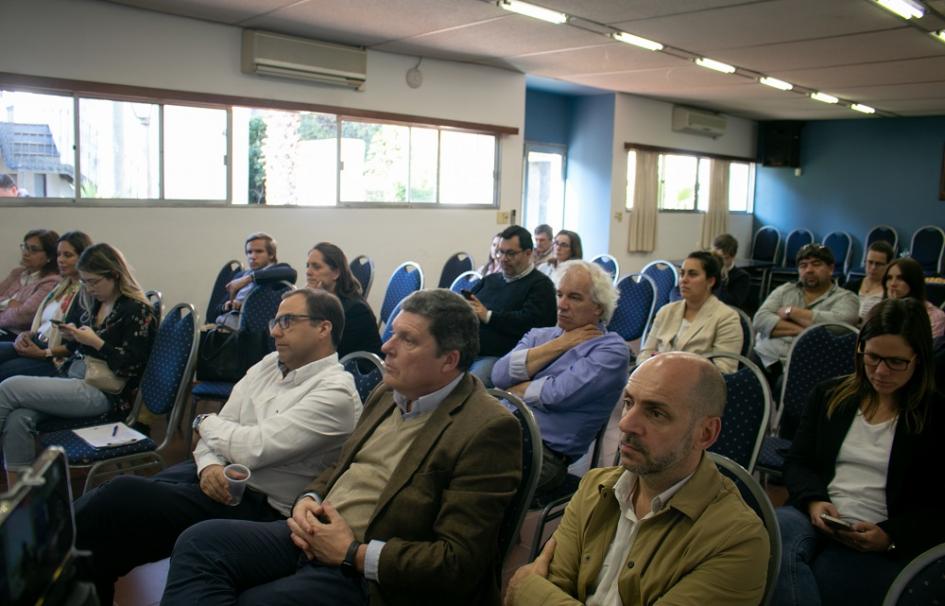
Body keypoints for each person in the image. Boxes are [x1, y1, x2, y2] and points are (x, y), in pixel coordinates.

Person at [161, 289, 523, 606]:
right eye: (393, 333)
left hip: (371, 574)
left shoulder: (488, 429)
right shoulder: (387, 393)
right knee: (200, 542)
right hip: (315, 532)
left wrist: (353, 554)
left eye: (407, 340)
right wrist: (309, 499)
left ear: (450, 360)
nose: (386, 346)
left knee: (257, 599)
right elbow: (342, 466)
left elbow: (457, 561)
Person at [74, 288, 362, 605]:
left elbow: (251, 448)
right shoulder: (270, 363)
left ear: (324, 328)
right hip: (215, 476)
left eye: (288, 321)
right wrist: (209, 463)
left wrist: (203, 423)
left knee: (119, 497)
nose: (276, 331)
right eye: (275, 322)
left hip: (261, 506)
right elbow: (224, 427)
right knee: (105, 527)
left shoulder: (336, 394)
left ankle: (38, 548)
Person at [505, 353, 769, 605]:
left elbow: (537, 590)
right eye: (629, 403)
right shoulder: (595, 486)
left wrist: (528, 591)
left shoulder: (738, 539)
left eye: (656, 413)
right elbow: (557, 580)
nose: (626, 424)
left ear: (705, 433)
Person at [773, 298, 944, 606]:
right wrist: (814, 501)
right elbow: (798, 462)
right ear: (860, 349)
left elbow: (939, 505)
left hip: (876, 529)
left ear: (918, 358)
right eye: (873, 357)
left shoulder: (934, 415)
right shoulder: (829, 395)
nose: (880, 371)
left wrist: (891, 536)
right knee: (769, 547)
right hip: (815, 513)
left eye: (896, 362)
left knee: (827, 581)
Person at [0, 243, 156, 483]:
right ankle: (20, 495)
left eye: (93, 282)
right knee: (18, 418)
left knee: (9, 387)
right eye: (84, 281)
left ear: (114, 275)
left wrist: (96, 343)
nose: (88, 288)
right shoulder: (95, 302)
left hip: (104, 393)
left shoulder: (137, 310)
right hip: (73, 377)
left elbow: (132, 368)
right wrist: (74, 337)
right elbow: (74, 349)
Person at [492, 260, 629, 497]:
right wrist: (561, 343)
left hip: (543, 454)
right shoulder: (541, 335)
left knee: (469, 476)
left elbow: (557, 394)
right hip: (500, 431)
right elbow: (499, 374)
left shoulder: (611, 350)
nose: (562, 305)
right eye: (559, 294)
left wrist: (516, 390)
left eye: (574, 297)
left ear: (598, 307)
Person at [467, 225, 557, 386]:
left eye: (510, 253)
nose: (503, 258)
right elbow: (470, 306)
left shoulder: (541, 285)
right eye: (500, 252)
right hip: (468, 348)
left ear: (528, 253)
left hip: (503, 357)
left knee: (469, 388)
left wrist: (489, 316)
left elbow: (532, 324)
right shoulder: (490, 280)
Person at [753, 243, 859, 377]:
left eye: (816, 264)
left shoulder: (847, 298)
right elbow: (759, 319)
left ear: (831, 268)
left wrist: (790, 312)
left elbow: (840, 325)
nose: (809, 270)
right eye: (803, 265)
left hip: (810, 367)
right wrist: (806, 332)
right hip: (765, 358)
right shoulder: (784, 290)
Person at [0, 231, 93, 381]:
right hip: (35, 341)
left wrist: (45, 353)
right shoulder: (62, 287)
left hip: (53, 356)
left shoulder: (86, 293)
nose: (61, 260)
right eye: (59, 255)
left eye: (67, 255)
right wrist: (27, 334)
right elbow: (42, 324)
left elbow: (78, 345)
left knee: (4, 371)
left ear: (83, 258)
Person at [638, 251, 743, 373]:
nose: (684, 280)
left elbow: (725, 370)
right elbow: (645, 353)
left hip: (696, 389)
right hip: (655, 379)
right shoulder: (666, 311)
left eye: (692, 274)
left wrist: (673, 368)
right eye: (682, 274)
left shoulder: (727, 318)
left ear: (710, 281)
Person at [303, 242, 382, 358]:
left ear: (336, 273)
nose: (308, 272)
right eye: (308, 266)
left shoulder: (355, 310)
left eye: (316, 267)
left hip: (357, 369)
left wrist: (311, 303)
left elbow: (323, 350)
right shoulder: (327, 301)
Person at [212, 232, 297, 327]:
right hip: (227, 323)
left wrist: (249, 279)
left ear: (271, 255)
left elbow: (291, 273)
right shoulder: (240, 275)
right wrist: (226, 306)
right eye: (249, 252)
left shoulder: (277, 271)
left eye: (259, 251)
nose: (252, 256)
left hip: (254, 327)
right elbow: (214, 311)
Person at [0, 229, 61, 338]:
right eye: (25, 247)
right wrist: (10, 303)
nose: (26, 253)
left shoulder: (51, 282)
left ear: (49, 256)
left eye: (34, 249)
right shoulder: (17, 273)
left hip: (17, 336)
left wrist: (5, 304)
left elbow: (23, 317)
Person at [883, 257, 944, 338]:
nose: (893, 284)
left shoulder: (934, 317)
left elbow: (928, 349)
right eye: (889, 278)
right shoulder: (880, 310)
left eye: (900, 278)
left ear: (913, 282)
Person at [844, 241, 894, 324]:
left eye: (879, 264)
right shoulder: (849, 286)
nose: (873, 267)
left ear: (888, 265)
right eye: (870, 262)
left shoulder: (890, 292)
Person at [712, 233, 750, 311]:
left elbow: (731, 302)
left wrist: (722, 278)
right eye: (717, 258)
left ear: (733, 257)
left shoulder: (741, 277)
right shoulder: (709, 271)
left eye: (725, 258)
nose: (720, 262)